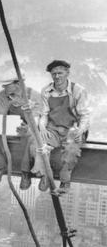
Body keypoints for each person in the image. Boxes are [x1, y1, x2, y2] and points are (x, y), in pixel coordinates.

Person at [38, 60, 90, 193]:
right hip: (53, 128)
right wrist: (42, 128)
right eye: (53, 74)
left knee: (71, 150)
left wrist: (81, 130)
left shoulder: (77, 90)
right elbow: (44, 114)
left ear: (67, 73)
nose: (57, 77)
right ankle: (44, 176)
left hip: (72, 129)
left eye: (60, 73)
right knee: (41, 145)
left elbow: (84, 115)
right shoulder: (46, 91)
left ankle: (65, 180)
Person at [0, 69, 44, 190]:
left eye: (7, 84)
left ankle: (25, 172)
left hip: (27, 127)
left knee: (30, 137)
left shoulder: (33, 95)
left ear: (18, 83)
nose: (4, 87)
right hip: (9, 127)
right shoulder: (3, 95)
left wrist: (27, 128)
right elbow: (0, 115)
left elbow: (35, 119)